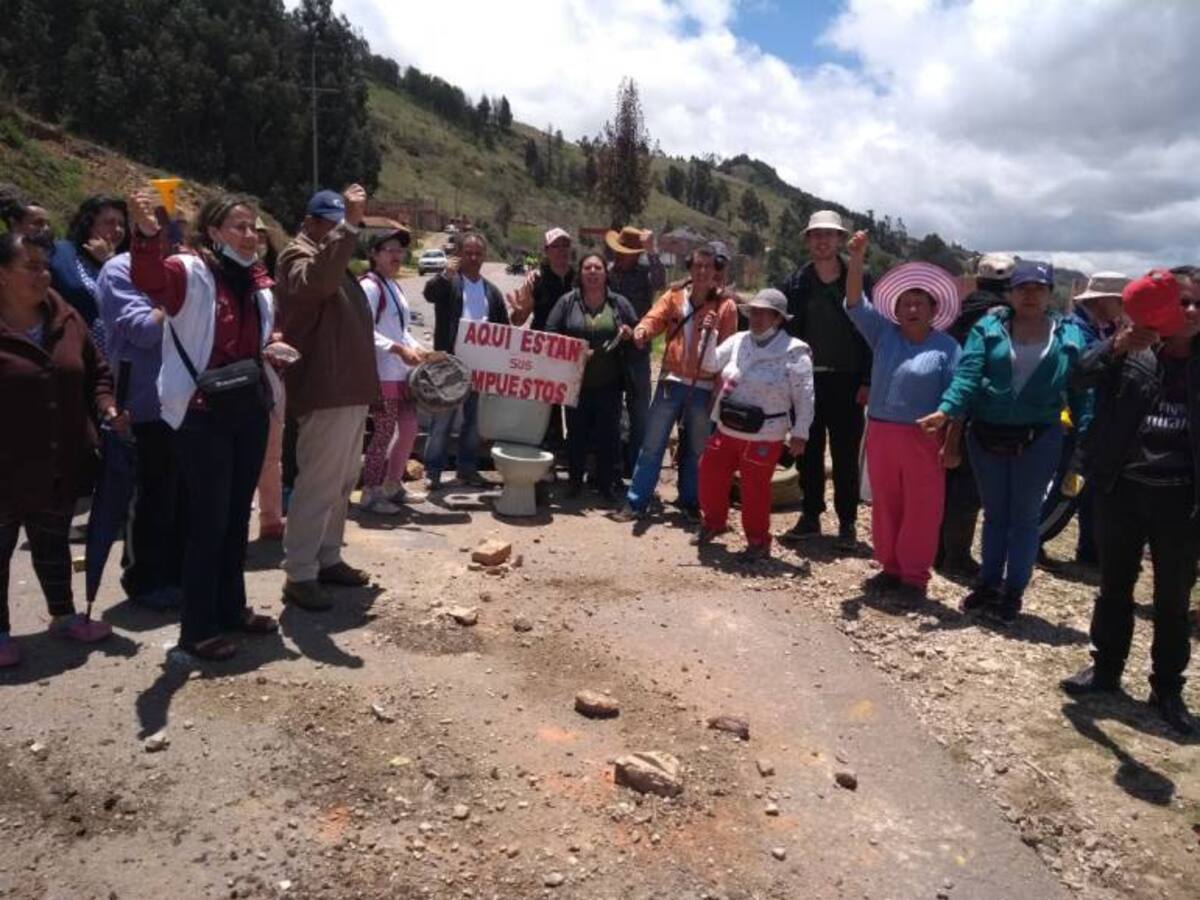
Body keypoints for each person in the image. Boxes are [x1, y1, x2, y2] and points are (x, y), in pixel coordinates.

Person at [129, 190, 283, 661]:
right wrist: (147, 234)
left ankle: (231, 607)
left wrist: (275, 344)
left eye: (254, 227)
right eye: (238, 226)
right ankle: (196, 629)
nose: (250, 235)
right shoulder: (189, 270)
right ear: (213, 232)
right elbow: (150, 280)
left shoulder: (258, 280)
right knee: (208, 521)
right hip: (202, 414)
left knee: (236, 517)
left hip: (248, 409)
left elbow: (261, 334)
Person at [1061, 270, 1200, 735]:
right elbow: (1077, 377)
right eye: (1182, 302)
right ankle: (1106, 670)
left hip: (1183, 500)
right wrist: (1116, 346)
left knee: (1173, 598)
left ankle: (1166, 688)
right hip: (1122, 488)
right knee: (1115, 584)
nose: (1190, 312)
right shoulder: (1132, 351)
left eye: (1198, 304)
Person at [919, 260, 1090, 625]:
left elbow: (1080, 387)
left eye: (1038, 289)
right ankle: (988, 582)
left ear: (1049, 293)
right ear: (1011, 293)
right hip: (986, 435)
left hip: (1038, 437)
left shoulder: (1068, 335)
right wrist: (946, 410)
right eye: (1023, 288)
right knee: (995, 515)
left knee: (1024, 518)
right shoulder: (988, 328)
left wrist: (1085, 434)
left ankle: (1013, 591)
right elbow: (968, 374)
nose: (1030, 295)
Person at [0, 232, 117, 667]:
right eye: (30, 265)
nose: (43, 274)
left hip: (59, 459)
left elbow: (97, 370)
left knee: (53, 543)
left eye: (45, 265)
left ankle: (64, 616)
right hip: (5, 466)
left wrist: (106, 405)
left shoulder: (65, 318)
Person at [274, 187, 379, 612]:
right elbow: (316, 284)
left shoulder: (328, 254)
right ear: (311, 222)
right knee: (317, 483)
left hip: (348, 390)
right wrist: (350, 228)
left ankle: (327, 556)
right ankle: (299, 572)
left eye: (344, 224)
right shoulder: (297, 257)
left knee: (340, 483)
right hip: (325, 389)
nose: (340, 231)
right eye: (333, 223)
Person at [843, 232, 962, 596]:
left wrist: (951, 443)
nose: (912, 309)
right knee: (886, 502)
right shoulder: (884, 335)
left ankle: (914, 576)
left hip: (923, 439)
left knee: (922, 508)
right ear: (895, 310)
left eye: (919, 303)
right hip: (880, 432)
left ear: (933, 310)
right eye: (906, 303)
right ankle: (890, 567)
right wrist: (857, 257)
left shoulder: (947, 348)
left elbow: (958, 397)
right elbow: (854, 303)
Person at [96, 211, 188, 609]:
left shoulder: (183, 268)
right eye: (165, 229)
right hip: (144, 404)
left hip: (186, 401)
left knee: (182, 495)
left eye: (178, 229)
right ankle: (143, 579)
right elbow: (144, 332)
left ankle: (177, 573)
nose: (174, 237)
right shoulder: (118, 271)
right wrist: (174, 297)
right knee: (149, 497)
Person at [612, 244, 738, 522]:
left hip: (705, 388)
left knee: (696, 449)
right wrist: (643, 330)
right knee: (653, 444)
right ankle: (636, 502)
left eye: (708, 266)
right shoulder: (674, 296)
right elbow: (654, 318)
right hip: (672, 381)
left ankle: (691, 501)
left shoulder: (726, 306)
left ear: (715, 269)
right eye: (697, 266)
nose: (703, 271)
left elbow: (730, 350)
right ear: (690, 268)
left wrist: (721, 389)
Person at [776, 210, 874, 551]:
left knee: (846, 454)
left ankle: (847, 522)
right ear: (808, 240)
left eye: (829, 235)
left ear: (839, 239)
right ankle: (811, 513)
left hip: (849, 381)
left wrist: (868, 379)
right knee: (808, 449)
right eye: (816, 235)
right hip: (807, 381)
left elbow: (869, 332)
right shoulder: (796, 283)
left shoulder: (860, 277)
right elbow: (785, 333)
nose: (822, 240)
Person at [694, 288, 814, 561]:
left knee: (755, 489)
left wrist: (800, 433)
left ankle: (758, 540)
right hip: (728, 425)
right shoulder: (738, 341)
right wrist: (709, 334)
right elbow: (710, 365)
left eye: (765, 313)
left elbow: (805, 397)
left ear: (778, 318)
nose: (757, 317)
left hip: (765, 433)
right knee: (710, 472)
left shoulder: (795, 352)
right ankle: (714, 522)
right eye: (754, 312)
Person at [423, 231, 530, 489]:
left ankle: (467, 469)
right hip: (449, 366)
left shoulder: (491, 292)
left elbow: (503, 329)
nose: (473, 257)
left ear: (484, 257)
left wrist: (521, 313)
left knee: (473, 423)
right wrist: (445, 273)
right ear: (459, 255)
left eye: (478, 253)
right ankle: (433, 473)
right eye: (468, 253)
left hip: (479, 368)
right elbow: (429, 294)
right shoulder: (449, 283)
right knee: (442, 422)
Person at [1038, 271, 1130, 567]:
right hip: (1080, 429)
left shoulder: (1098, 329)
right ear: (1105, 301)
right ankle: (1032, 539)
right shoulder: (1076, 330)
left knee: (1090, 492)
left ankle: (1090, 551)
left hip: (1093, 427)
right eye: (1119, 301)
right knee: (1070, 489)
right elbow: (1081, 370)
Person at [937, 253, 1013, 575]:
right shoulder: (1004, 317)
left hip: (944, 402)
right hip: (979, 408)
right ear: (1010, 285)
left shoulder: (957, 312)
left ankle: (934, 549)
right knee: (969, 486)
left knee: (943, 478)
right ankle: (956, 556)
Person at [545, 252, 638, 501]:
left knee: (609, 435)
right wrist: (573, 352)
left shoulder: (619, 304)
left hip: (610, 383)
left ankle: (606, 485)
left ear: (606, 274)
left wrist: (630, 334)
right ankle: (575, 482)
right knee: (576, 434)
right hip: (575, 384)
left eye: (598, 267)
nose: (593, 272)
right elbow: (550, 334)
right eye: (588, 267)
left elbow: (639, 336)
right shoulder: (567, 302)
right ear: (581, 273)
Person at [359, 226, 436, 513]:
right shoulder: (369, 286)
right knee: (383, 432)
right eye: (389, 250)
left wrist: (418, 349)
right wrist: (399, 350)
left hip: (402, 375)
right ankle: (371, 491)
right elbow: (363, 330)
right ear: (373, 254)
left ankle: (392, 484)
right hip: (382, 375)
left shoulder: (394, 286)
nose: (396, 255)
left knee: (408, 429)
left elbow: (402, 331)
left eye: (399, 250)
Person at [606, 225, 666, 475]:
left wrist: (653, 252)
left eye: (625, 252)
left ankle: (636, 466)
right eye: (618, 251)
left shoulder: (645, 272)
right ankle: (612, 461)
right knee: (611, 406)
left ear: (636, 254)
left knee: (639, 409)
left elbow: (661, 281)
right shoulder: (608, 272)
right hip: (611, 349)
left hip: (638, 349)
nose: (620, 256)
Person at [514, 227, 576, 453]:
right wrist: (522, 308)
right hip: (542, 352)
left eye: (565, 246)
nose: (561, 251)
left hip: (572, 352)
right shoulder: (535, 279)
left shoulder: (579, 278)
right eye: (555, 246)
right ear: (546, 251)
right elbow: (517, 320)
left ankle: (569, 453)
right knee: (544, 406)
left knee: (571, 405)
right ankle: (544, 454)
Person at [50, 196, 129, 337]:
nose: (117, 229)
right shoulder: (61, 254)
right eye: (109, 222)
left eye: (122, 224)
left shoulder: (125, 261)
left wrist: (110, 262)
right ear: (88, 224)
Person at [254, 218, 286, 540]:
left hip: (273, 376)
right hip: (238, 378)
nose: (255, 241)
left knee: (272, 452)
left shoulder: (273, 281)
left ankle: (271, 519)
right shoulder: (221, 279)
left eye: (261, 236)